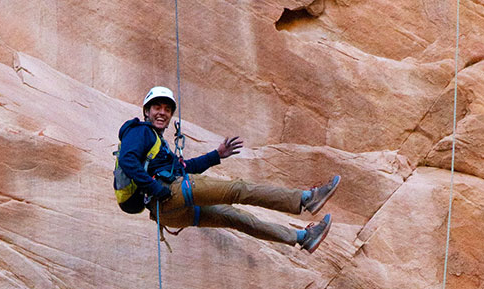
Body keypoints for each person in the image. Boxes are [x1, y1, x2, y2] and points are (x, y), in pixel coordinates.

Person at [113, 86, 339, 251]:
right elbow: (128, 161)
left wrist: (216, 155)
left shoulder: (156, 142)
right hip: (167, 196)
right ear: (146, 111)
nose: (162, 112)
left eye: (166, 109)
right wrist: (156, 188)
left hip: (168, 213)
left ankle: (301, 237)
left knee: (234, 217)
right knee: (238, 189)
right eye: (156, 107)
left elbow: (182, 168)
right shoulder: (140, 131)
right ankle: (307, 198)